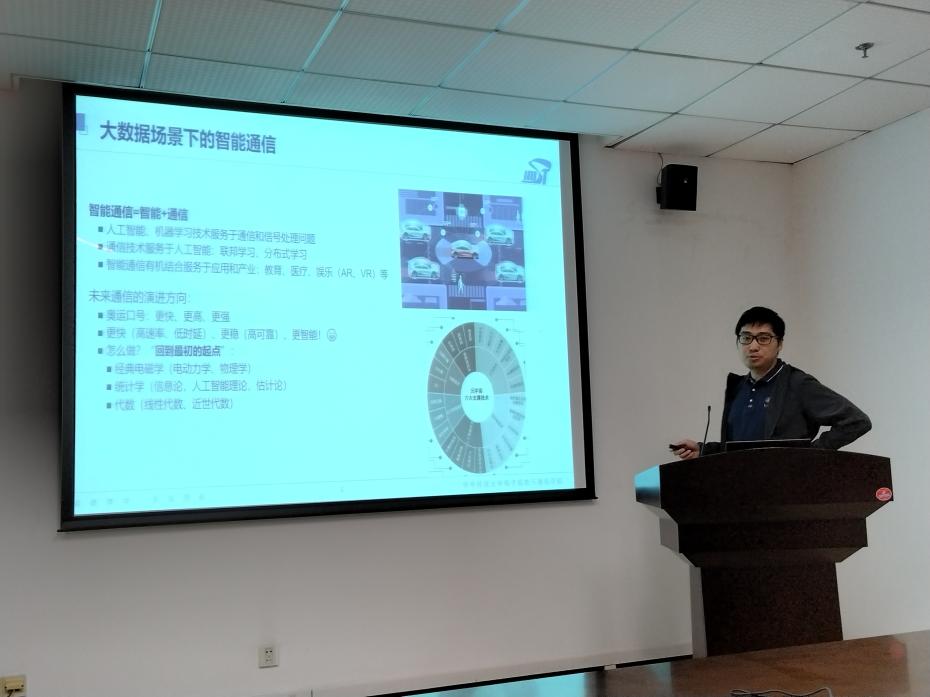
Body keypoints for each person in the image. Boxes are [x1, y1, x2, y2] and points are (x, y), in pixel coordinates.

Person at [671, 306, 870, 459]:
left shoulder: (797, 383)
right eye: (746, 338)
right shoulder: (738, 388)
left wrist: (811, 454)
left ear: (779, 344)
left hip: (787, 489)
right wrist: (703, 450)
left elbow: (856, 421)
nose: (753, 346)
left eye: (763, 338)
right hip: (739, 489)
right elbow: (741, 448)